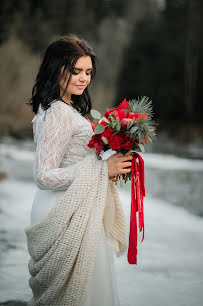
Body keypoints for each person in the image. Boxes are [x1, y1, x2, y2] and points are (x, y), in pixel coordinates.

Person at [26, 34, 133, 306]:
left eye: (87, 72)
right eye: (75, 71)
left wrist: (111, 158)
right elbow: (43, 175)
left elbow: (74, 158)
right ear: (56, 69)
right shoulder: (59, 112)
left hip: (76, 204)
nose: (83, 78)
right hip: (65, 209)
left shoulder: (62, 108)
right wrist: (102, 169)